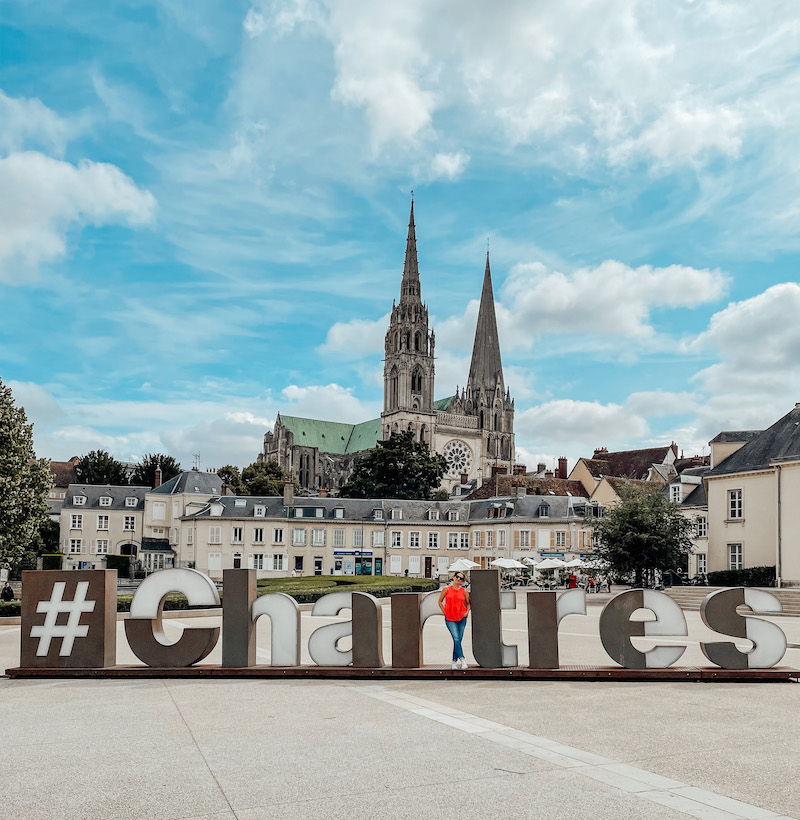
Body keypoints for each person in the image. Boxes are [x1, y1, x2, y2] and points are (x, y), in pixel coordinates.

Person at [438, 572, 471, 670]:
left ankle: (453, 662)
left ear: (463, 581)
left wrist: (467, 612)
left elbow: (468, 603)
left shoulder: (464, 591)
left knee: (458, 640)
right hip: (450, 618)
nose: (458, 579)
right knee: (456, 638)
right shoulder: (446, 589)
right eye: (457, 577)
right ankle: (462, 660)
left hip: (462, 617)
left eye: (461, 579)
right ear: (453, 577)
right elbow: (439, 601)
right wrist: (444, 611)